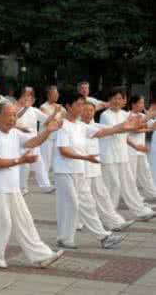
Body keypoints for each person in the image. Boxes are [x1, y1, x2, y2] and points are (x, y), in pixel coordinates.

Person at [54, 93, 147, 250]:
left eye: (83, 105)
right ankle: (65, 238)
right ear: (68, 106)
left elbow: (103, 132)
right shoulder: (62, 125)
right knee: (72, 204)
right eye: (78, 104)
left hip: (79, 170)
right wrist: (85, 157)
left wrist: (124, 127)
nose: (81, 108)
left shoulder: (81, 126)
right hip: (64, 171)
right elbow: (64, 151)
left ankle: (103, 236)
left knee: (88, 204)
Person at [0, 100, 64, 268]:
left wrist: (48, 131)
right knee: (2, 222)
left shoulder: (14, 133)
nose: (12, 119)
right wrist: (21, 160)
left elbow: (33, 142)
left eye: (14, 115)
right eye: (9, 115)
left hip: (12, 187)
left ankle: (42, 256)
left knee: (25, 221)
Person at [99, 87, 156, 218]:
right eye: (114, 98)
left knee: (129, 183)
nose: (117, 101)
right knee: (113, 186)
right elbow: (124, 128)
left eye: (120, 98)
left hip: (122, 154)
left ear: (124, 100)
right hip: (109, 156)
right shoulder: (105, 115)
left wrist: (147, 119)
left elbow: (134, 126)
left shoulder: (124, 114)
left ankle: (139, 211)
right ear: (109, 99)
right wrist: (147, 117)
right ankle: (109, 215)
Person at [80, 102, 135, 231]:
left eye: (91, 111)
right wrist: (125, 127)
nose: (88, 113)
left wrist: (127, 126)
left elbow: (112, 128)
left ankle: (114, 222)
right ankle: (78, 223)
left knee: (102, 195)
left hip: (94, 167)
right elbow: (106, 131)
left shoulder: (93, 124)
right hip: (82, 169)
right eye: (85, 110)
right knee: (83, 199)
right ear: (80, 111)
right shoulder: (81, 126)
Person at [16, 87, 56, 194]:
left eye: (31, 96)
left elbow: (47, 120)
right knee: (25, 165)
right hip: (22, 141)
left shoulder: (34, 110)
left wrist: (55, 112)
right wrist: (25, 107)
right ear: (22, 96)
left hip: (35, 141)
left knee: (39, 164)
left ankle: (45, 186)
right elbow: (14, 118)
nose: (28, 98)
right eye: (26, 95)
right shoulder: (16, 107)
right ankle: (22, 187)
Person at [127, 95, 156, 200]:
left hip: (141, 150)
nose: (143, 105)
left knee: (146, 173)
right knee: (132, 176)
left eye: (143, 103)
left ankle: (153, 193)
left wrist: (152, 115)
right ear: (134, 104)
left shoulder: (142, 115)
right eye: (141, 103)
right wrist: (147, 127)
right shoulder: (128, 115)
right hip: (131, 150)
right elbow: (134, 129)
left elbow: (153, 126)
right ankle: (133, 198)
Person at [40, 86, 65, 171]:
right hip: (47, 137)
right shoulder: (43, 107)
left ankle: (55, 181)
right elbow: (47, 122)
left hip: (57, 137)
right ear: (48, 95)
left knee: (57, 161)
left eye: (57, 93)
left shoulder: (60, 107)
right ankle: (44, 182)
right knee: (46, 162)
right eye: (54, 94)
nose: (57, 95)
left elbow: (64, 119)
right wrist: (55, 112)